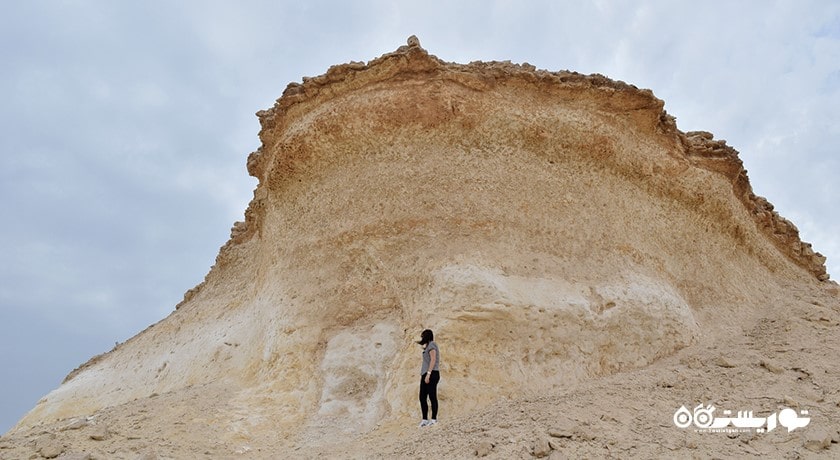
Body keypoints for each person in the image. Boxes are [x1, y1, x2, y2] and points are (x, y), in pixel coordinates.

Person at [417, 329, 440, 427]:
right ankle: (425, 419)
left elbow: (433, 359)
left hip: (432, 373)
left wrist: (428, 374)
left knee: (432, 396)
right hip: (425, 374)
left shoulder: (432, 345)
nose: (422, 338)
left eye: (423, 336)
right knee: (422, 397)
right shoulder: (427, 347)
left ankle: (434, 419)